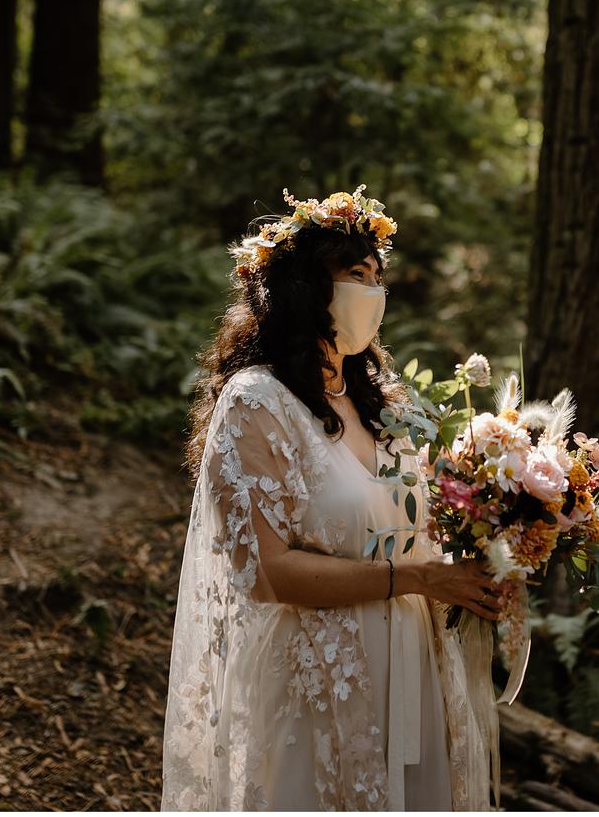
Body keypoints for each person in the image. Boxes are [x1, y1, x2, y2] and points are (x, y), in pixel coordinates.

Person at [161, 187, 495, 811]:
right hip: (319, 683)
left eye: (378, 277)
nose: (374, 293)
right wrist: (412, 577)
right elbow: (266, 572)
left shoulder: (386, 404)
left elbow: (423, 523)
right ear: (304, 287)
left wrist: (486, 550)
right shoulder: (257, 402)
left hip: (410, 670)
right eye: (355, 274)